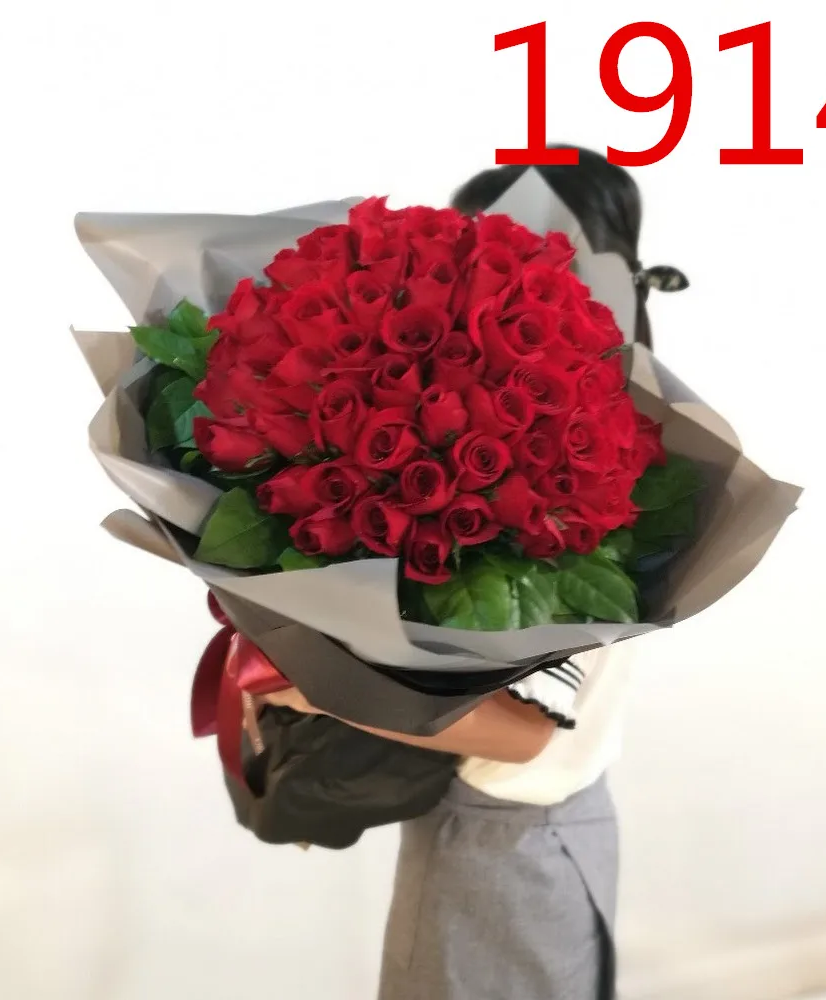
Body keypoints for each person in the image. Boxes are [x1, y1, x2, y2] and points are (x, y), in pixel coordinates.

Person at [259, 146, 689, 1000]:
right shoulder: (635, 437)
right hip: (555, 832)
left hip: (503, 853)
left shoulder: (571, 479)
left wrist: (317, 692)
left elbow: (521, 732)